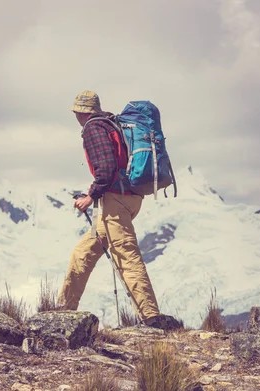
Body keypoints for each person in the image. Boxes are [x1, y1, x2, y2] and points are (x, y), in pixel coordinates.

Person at [56, 90, 181, 330]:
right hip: (129, 197)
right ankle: (63, 312)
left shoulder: (94, 128)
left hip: (116, 201)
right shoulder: (112, 123)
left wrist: (90, 196)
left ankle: (151, 319)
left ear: (80, 111)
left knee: (127, 256)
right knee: (83, 253)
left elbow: (106, 167)